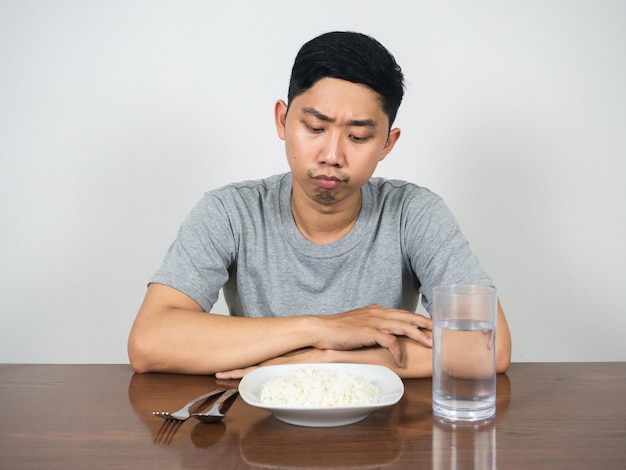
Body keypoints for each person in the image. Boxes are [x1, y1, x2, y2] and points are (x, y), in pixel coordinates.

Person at [128, 31, 511, 379]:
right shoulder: (230, 211)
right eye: (314, 128)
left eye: (358, 136)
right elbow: (150, 341)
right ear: (282, 119)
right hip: (257, 427)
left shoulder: (413, 213)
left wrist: (327, 358)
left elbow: (488, 345)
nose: (331, 154)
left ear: (386, 144)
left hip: (381, 433)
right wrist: (322, 327)